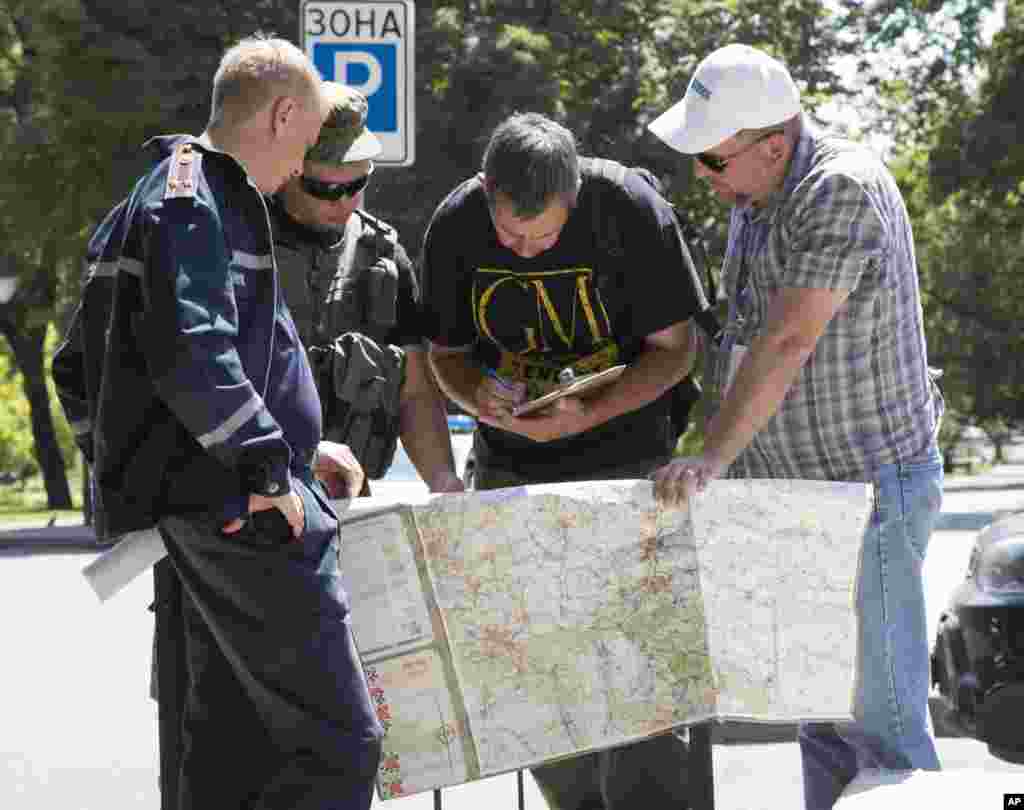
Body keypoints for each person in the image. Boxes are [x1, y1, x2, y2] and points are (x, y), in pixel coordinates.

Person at [52, 35, 384, 810]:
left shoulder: (171, 195)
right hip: (243, 513)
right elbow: (192, 351)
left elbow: (78, 365)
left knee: (232, 750)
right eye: (303, 144)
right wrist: (268, 468)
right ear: (280, 114)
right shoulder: (195, 201)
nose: (302, 166)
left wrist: (300, 445)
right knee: (339, 746)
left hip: (220, 506)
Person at [647, 44, 945, 809]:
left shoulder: (838, 188)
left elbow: (786, 340)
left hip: (867, 492)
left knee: (883, 736)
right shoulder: (756, 197)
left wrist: (710, 459)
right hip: (798, 497)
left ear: (772, 144)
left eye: (713, 160)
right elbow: (743, 339)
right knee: (820, 727)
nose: (704, 179)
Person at [420, 111, 706, 810]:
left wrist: (590, 413)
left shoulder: (631, 210)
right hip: (513, 469)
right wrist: (478, 399)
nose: (522, 252)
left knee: (640, 671)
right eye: (509, 235)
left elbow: (678, 349)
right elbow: (445, 357)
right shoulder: (454, 225)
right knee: (541, 675)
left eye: (541, 235)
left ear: (573, 199)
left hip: (629, 462)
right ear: (486, 190)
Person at [270, 81, 464, 495]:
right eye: (326, 190)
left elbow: (414, 390)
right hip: (256, 495)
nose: (347, 203)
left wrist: (443, 480)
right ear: (288, 170)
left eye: (358, 185)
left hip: (347, 502)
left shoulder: (383, 258)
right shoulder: (237, 244)